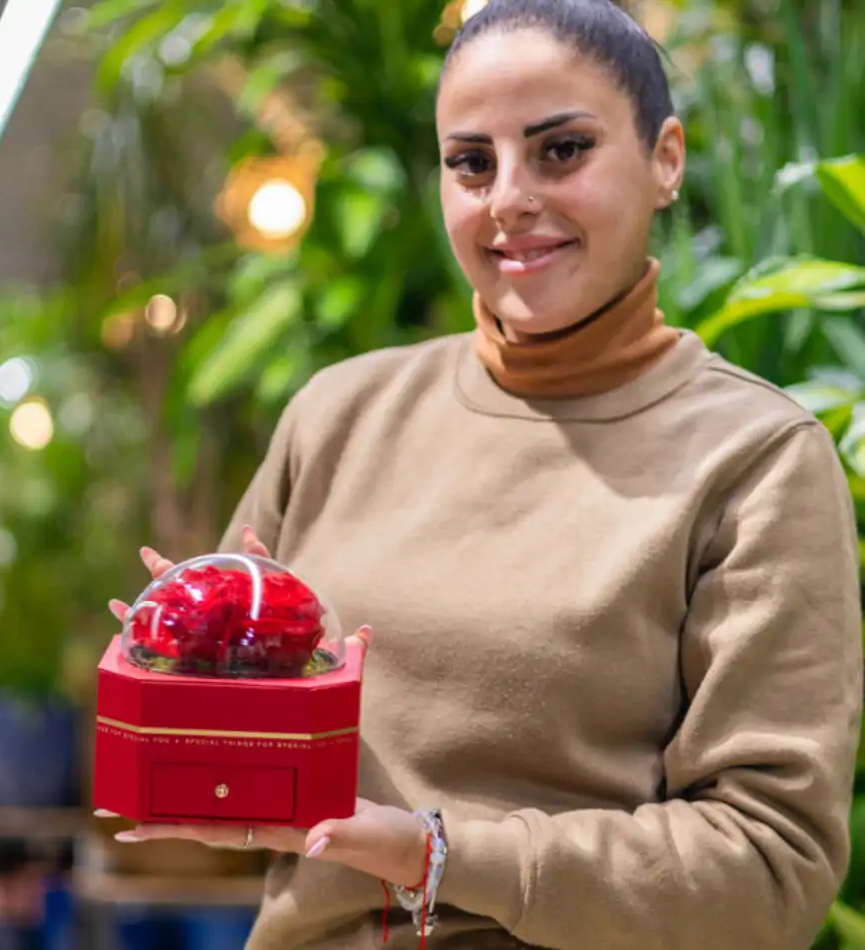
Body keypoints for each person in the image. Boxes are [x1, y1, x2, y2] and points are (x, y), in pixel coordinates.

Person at [103, 1, 863, 947]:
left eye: (561, 150)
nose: (507, 197)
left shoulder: (754, 457)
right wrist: (193, 666)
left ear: (666, 158)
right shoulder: (340, 415)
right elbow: (234, 800)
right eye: (471, 162)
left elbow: (769, 870)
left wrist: (439, 854)